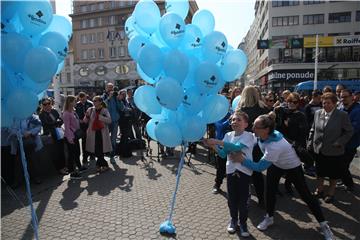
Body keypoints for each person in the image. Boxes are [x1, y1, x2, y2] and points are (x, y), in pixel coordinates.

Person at [237, 114, 335, 240]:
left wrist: (242, 160)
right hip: (277, 164)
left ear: (266, 129)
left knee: (306, 196)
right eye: (253, 125)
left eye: (256, 126)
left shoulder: (274, 146)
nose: (252, 129)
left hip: (293, 166)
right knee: (270, 191)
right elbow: (254, 143)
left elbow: (259, 167)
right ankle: (269, 217)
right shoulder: (264, 135)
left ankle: (324, 225)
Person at [203, 111, 255, 237]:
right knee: (232, 200)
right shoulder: (228, 135)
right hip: (231, 171)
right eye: (233, 120)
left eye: (238, 120)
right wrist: (212, 145)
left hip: (244, 172)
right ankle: (233, 220)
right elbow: (222, 154)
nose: (234, 122)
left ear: (246, 124)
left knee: (243, 201)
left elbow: (236, 147)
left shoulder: (249, 136)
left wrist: (216, 141)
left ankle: (243, 223)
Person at [307, 92, 353, 203]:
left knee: (333, 174)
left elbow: (349, 131)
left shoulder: (342, 115)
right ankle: (320, 189)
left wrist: (340, 142)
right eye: (324, 103)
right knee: (320, 172)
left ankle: (331, 193)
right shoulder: (318, 113)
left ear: (335, 103)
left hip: (334, 150)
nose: (325, 105)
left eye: (328, 103)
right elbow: (313, 129)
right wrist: (310, 142)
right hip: (319, 149)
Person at [237, 86, 269, 207]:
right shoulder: (263, 108)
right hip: (258, 142)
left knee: (243, 170)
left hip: (243, 142)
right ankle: (261, 199)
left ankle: (245, 198)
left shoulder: (240, 110)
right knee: (256, 172)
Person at [274, 92, 308, 194]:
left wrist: (298, 145)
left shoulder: (300, 115)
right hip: (282, 144)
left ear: (298, 103)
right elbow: (277, 127)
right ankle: (276, 187)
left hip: (294, 145)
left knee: (292, 169)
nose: (291, 104)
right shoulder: (283, 112)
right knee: (278, 167)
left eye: (294, 102)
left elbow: (303, 132)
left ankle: (288, 185)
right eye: (289, 101)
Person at [8, 114, 44, 185]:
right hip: (18, 142)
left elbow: (39, 126)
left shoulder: (32, 116)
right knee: (19, 162)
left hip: (30, 141)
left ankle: (36, 177)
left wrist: (30, 132)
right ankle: (19, 180)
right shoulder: (13, 118)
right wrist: (21, 134)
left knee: (33, 160)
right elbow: (10, 129)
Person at [84, 96, 112, 173]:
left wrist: (100, 117)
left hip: (102, 133)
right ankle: (103, 165)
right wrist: (86, 116)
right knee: (96, 150)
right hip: (93, 133)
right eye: (93, 100)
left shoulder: (104, 110)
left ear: (100, 102)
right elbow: (85, 121)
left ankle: (99, 165)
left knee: (100, 150)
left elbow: (109, 120)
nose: (94, 102)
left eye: (95, 100)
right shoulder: (90, 110)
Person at [39, 98, 67, 175]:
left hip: (59, 132)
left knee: (61, 150)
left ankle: (64, 166)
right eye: (45, 104)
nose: (47, 105)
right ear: (42, 105)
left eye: (49, 103)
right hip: (51, 135)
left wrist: (56, 123)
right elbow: (47, 124)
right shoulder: (41, 114)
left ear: (51, 104)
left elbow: (61, 120)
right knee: (56, 152)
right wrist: (56, 122)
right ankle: (60, 168)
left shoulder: (54, 111)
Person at [339, 89, 360, 192]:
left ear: (352, 97)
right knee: (342, 165)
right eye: (341, 97)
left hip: (350, 144)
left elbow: (353, 129)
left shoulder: (357, 110)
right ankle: (344, 181)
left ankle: (349, 184)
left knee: (342, 165)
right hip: (342, 143)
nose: (343, 99)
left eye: (345, 96)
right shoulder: (342, 108)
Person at [63, 95, 85, 179]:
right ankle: (72, 172)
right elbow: (67, 127)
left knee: (77, 152)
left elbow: (76, 121)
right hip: (70, 136)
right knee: (71, 155)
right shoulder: (66, 113)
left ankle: (79, 167)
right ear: (70, 102)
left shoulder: (73, 111)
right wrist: (70, 138)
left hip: (75, 135)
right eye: (75, 101)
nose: (76, 102)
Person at [212, 111, 232, 194]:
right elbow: (220, 126)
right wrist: (230, 121)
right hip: (222, 146)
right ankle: (217, 185)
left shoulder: (232, 114)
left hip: (232, 145)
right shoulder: (217, 114)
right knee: (221, 167)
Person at [103, 87, 123, 163]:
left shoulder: (115, 97)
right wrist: (109, 98)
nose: (111, 89)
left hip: (115, 121)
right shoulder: (104, 96)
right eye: (109, 87)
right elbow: (103, 105)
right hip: (107, 122)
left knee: (113, 139)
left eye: (112, 87)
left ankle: (112, 156)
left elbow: (121, 108)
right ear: (107, 88)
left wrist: (119, 99)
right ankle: (105, 153)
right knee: (105, 138)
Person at [75, 92, 94, 165]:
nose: (83, 100)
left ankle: (92, 154)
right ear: (79, 98)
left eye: (84, 99)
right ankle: (85, 157)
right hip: (82, 126)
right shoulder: (77, 105)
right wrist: (79, 120)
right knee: (84, 142)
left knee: (91, 140)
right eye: (81, 99)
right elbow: (75, 115)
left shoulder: (90, 104)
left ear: (86, 97)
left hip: (90, 125)